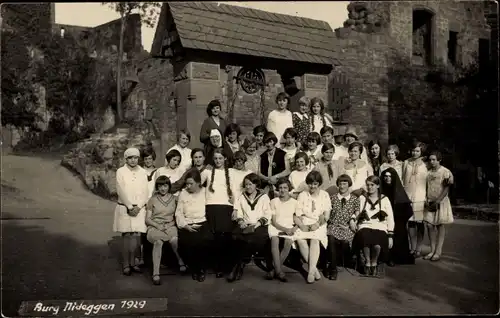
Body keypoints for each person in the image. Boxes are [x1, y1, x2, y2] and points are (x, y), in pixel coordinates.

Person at [230, 173, 273, 282]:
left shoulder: (264, 197)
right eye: (246, 185)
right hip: (246, 224)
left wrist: (257, 224)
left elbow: (267, 214)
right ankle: (238, 266)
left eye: (250, 184)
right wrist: (241, 222)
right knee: (236, 236)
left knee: (253, 239)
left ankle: (239, 265)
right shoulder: (242, 197)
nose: (248, 187)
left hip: (260, 225)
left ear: (256, 185)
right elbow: (239, 213)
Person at [113, 147, 150, 276]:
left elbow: (146, 191)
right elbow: (120, 190)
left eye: (135, 158)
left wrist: (139, 206)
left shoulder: (143, 172)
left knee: (136, 236)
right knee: (126, 235)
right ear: (126, 159)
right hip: (125, 207)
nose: (133, 160)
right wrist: (129, 206)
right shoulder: (120, 171)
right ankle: (126, 264)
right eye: (130, 158)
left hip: (139, 208)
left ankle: (134, 262)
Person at [350, 176, 394, 278]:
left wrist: (391, 234)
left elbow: (390, 218)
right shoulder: (362, 198)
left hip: (380, 225)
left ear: (378, 185)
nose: (370, 187)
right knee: (365, 236)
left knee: (378, 241)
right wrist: (352, 220)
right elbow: (356, 212)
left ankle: (374, 263)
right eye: (368, 185)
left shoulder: (384, 199)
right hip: (365, 224)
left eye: (372, 185)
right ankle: (367, 263)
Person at [204, 148, 239, 277]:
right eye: (215, 158)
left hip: (226, 207)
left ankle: (226, 266)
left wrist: (235, 208)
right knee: (214, 237)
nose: (218, 161)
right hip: (211, 206)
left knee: (225, 237)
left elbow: (235, 191)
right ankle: (217, 266)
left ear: (225, 158)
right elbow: (196, 183)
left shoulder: (231, 172)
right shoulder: (207, 172)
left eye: (220, 158)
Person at [145, 176, 186, 285]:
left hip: (170, 225)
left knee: (174, 240)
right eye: (160, 186)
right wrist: (157, 226)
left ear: (168, 186)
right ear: (157, 187)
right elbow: (147, 219)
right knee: (158, 242)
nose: (162, 188)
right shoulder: (152, 199)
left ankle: (181, 261)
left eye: (165, 185)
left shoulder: (174, 199)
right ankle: (156, 273)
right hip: (155, 226)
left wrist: (170, 225)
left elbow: (177, 216)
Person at [294, 170, 332, 283]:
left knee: (315, 240)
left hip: (319, 223)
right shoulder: (302, 195)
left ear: (319, 184)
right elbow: (298, 214)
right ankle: (314, 270)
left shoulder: (325, 195)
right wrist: (301, 225)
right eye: (310, 183)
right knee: (300, 240)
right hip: (305, 222)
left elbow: (326, 215)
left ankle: (310, 273)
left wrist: (317, 224)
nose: (312, 186)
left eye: (315, 183)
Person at [176, 169, 213, 282]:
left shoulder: (205, 192)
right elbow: (179, 212)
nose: (188, 186)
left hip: (202, 223)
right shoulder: (183, 193)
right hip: (187, 224)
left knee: (203, 242)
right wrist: (185, 225)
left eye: (191, 183)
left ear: (198, 183)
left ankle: (201, 269)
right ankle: (194, 268)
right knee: (186, 243)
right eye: (187, 183)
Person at [325, 174, 359, 280]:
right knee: (330, 238)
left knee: (345, 242)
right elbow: (327, 213)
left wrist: (351, 222)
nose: (342, 186)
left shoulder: (354, 199)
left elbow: (357, 213)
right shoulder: (332, 198)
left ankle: (340, 262)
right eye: (340, 184)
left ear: (349, 185)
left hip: (347, 227)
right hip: (333, 225)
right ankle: (333, 269)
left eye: (345, 184)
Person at [422, 151, 454, 262]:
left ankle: (438, 251)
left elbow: (446, 188)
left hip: (441, 201)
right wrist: (426, 199)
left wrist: (438, 201)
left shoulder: (445, 172)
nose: (431, 162)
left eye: (434, 159)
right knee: (429, 225)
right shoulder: (428, 173)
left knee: (440, 225)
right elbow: (426, 187)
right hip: (430, 201)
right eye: (430, 160)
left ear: (439, 160)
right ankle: (432, 250)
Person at [380, 168, 414, 266]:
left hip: (398, 218)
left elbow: (406, 209)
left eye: (390, 176)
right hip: (383, 218)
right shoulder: (381, 190)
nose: (387, 179)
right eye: (385, 176)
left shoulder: (399, 190)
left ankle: (396, 257)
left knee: (399, 231)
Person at [268, 178, 298, 282]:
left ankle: (274, 269)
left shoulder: (294, 202)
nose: (282, 190)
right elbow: (274, 222)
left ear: (289, 188)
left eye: (285, 187)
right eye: (280, 188)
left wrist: (293, 229)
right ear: (277, 189)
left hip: (289, 226)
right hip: (276, 226)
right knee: (275, 240)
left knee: (288, 242)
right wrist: (285, 229)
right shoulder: (273, 201)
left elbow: (298, 219)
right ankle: (279, 272)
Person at [402, 141, 428, 258]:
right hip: (408, 195)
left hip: (420, 197)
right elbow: (403, 179)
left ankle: (419, 248)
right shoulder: (406, 162)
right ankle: (412, 247)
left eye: (417, 151)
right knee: (410, 222)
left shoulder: (425, 165)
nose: (414, 153)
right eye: (413, 150)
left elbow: (428, 181)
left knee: (419, 223)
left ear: (421, 152)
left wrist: (427, 197)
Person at [258, 132, 290, 199]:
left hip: (279, 186)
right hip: (266, 186)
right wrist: (267, 179)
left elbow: (287, 170)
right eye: (267, 142)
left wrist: (276, 177)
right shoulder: (262, 156)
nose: (269, 144)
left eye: (270, 141)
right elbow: (259, 172)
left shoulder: (283, 154)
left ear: (274, 141)